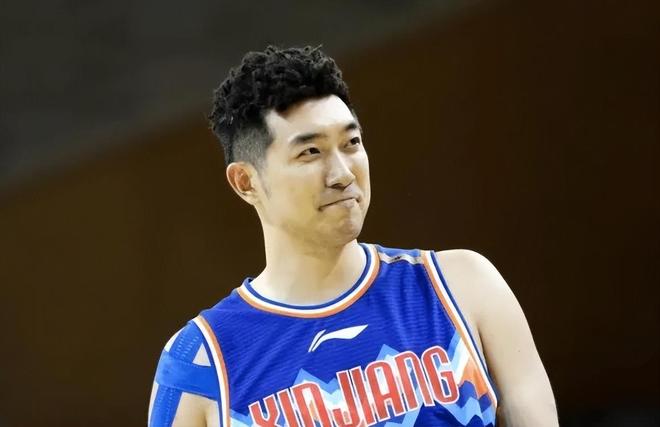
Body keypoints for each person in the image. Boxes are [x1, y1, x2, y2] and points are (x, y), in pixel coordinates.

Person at [147, 45, 558, 427]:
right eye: (310, 152)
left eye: (351, 143)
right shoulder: (200, 360)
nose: (343, 174)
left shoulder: (463, 285)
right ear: (246, 182)